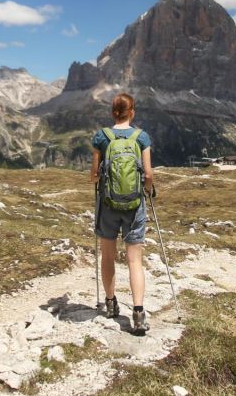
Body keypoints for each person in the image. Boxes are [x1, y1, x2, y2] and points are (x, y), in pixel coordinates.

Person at [90, 92, 154, 334]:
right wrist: (146, 190)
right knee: (134, 260)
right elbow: (148, 175)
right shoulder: (141, 137)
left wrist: (101, 177)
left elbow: (93, 176)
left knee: (107, 257)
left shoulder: (102, 137)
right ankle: (138, 313)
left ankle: (110, 304)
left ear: (112, 112)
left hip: (107, 205)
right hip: (134, 206)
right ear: (132, 112)